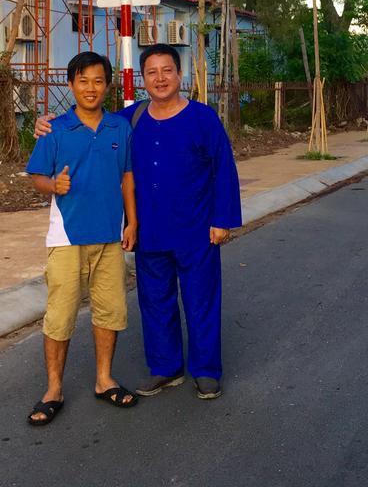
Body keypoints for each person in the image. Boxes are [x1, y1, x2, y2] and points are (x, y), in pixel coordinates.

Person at [36, 44, 242, 401]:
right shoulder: (131, 120)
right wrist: (46, 122)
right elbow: (90, 117)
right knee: (155, 301)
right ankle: (166, 367)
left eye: (167, 71)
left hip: (196, 229)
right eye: (152, 72)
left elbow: (223, 169)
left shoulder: (202, 118)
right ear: (143, 79)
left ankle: (206, 370)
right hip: (149, 231)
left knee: (201, 300)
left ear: (180, 76)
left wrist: (222, 219)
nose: (160, 78)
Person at [26, 52, 138, 426]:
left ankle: (104, 380)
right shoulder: (54, 129)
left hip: (109, 237)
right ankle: (53, 389)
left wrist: (132, 223)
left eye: (98, 80)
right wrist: (52, 184)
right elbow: (37, 176)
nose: (91, 88)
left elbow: (127, 178)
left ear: (108, 85)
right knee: (60, 316)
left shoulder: (119, 128)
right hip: (66, 238)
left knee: (110, 312)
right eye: (83, 80)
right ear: (71, 84)